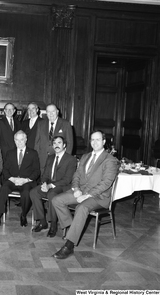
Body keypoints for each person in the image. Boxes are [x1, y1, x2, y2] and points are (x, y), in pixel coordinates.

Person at [52, 130, 119, 259]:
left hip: (98, 196)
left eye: (98, 139)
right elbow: (76, 175)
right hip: (81, 191)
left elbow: (106, 183)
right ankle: (74, 227)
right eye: (92, 139)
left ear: (104, 142)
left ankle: (69, 245)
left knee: (81, 208)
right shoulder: (85, 156)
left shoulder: (110, 160)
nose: (94, 142)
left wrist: (87, 195)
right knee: (56, 200)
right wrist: (76, 188)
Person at [0, 130, 40, 230]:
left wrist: (26, 180)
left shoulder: (33, 153)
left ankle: (23, 215)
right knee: (3, 189)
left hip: (27, 181)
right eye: (17, 140)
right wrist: (12, 178)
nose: (19, 142)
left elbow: (36, 171)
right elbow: (5, 169)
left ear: (26, 140)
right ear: (14, 140)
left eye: (21, 140)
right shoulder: (10, 153)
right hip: (13, 180)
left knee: (26, 192)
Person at [30, 136, 77, 237]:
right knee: (34, 192)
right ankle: (42, 222)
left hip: (63, 186)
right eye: (54, 143)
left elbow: (67, 179)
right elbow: (46, 175)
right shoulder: (50, 157)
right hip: (49, 184)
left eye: (59, 143)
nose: (56, 145)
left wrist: (50, 185)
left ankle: (53, 224)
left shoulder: (71, 159)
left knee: (52, 194)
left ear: (64, 145)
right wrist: (44, 183)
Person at [34, 103, 74, 173]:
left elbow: (69, 143)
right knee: (43, 182)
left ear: (57, 112)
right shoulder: (41, 124)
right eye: (48, 112)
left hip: (58, 160)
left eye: (53, 111)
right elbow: (37, 142)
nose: (51, 114)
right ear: (46, 113)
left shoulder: (66, 124)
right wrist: (36, 158)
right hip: (42, 160)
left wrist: (65, 160)